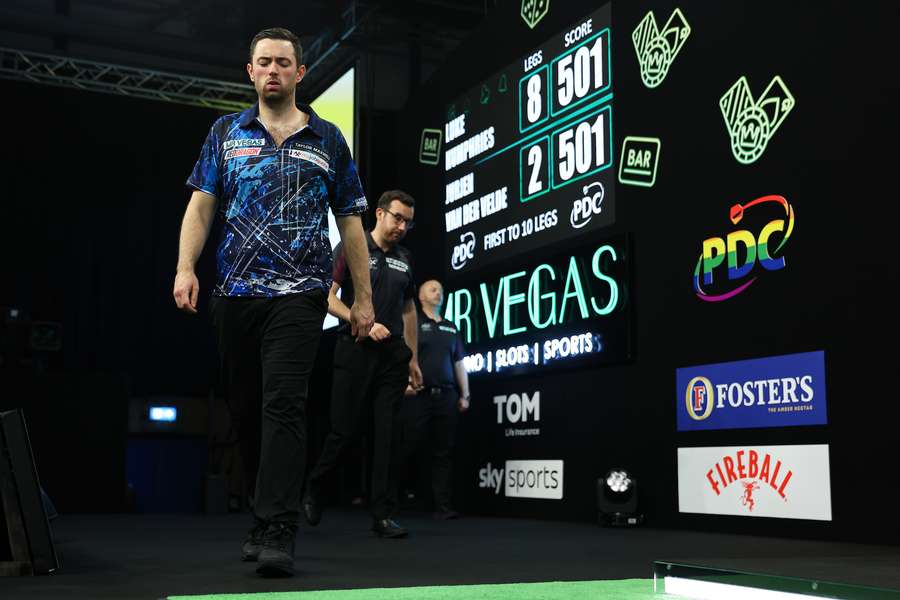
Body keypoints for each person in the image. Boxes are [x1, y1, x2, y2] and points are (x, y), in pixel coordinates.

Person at [173, 27, 374, 577]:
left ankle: (278, 527)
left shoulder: (329, 138)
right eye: (264, 62)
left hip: (300, 295)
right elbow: (200, 206)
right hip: (235, 295)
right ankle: (262, 517)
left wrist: (363, 299)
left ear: (299, 73)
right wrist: (185, 267)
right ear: (251, 71)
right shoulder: (224, 133)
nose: (273, 71)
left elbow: (352, 221)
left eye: (284, 63)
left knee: (283, 404)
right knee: (245, 411)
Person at [302, 190, 423, 538]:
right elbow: (326, 297)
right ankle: (315, 488)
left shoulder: (405, 259)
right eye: (397, 218)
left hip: (393, 357)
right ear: (381, 214)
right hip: (355, 349)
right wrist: (363, 321)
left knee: (387, 435)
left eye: (408, 222)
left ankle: (382, 515)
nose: (402, 226)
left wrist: (413, 357)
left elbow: (408, 310)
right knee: (344, 429)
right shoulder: (353, 249)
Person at [409, 280, 470, 519]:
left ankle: (442, 506)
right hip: (418, 395)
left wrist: (465, 394)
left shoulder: (451, 327)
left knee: (443, 452)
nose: (438, 293)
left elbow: (459, 363)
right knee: (409, 445)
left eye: (441, 291)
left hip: (446, 396)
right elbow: (405, 355)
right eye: (433, 289)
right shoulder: (413, 323)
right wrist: (406, 383)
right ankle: (402, 499)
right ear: (421, 296)